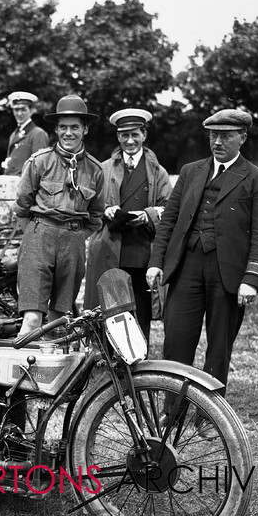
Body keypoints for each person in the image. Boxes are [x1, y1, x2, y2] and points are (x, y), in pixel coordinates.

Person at [146, 108, 258, 401]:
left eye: (226, 136)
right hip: (185, 268)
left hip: (227, 273)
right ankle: (171, 411)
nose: (217, 142)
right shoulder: (192, 171)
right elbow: (170, 220)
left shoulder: (257, 179)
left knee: (219, 349)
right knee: (176, 342)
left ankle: (208, 417)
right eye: (213, 135)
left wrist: (251, 279)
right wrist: (156, 262)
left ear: (242, 138)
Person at [14, 94, 105, 335]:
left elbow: (95, 216)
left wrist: (73, 236)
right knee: (32, 320)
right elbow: (22, 205)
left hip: (73, 242)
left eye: (75, 127)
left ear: (85, 129)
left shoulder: (95, 170)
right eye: (63, 127)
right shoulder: (40, 162)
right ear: (56, 129)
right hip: (38, 238)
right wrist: (38, 233)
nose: (68, 133)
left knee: (58, 321)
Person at [83, 108, 172, 342]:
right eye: (124, 135)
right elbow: (90, 203)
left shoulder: (157, 171)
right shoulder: (103, 168)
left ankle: (137, 368)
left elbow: (170, 206)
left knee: (139, 313)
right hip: (111, 249)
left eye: (135, 134)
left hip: (142, 251)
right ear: (118, 137)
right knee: (108, 311)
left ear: (144, 135)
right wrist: (106, 209)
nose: (130, 141)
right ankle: (106, 365)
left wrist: (149, 214)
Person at [1, 91, 50, 176]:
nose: (19, 113)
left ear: (31, 111)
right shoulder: (14, 134)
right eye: (16, 109)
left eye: (23, 109)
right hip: (10, 183)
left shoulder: (38, 134)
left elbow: (39, 169)